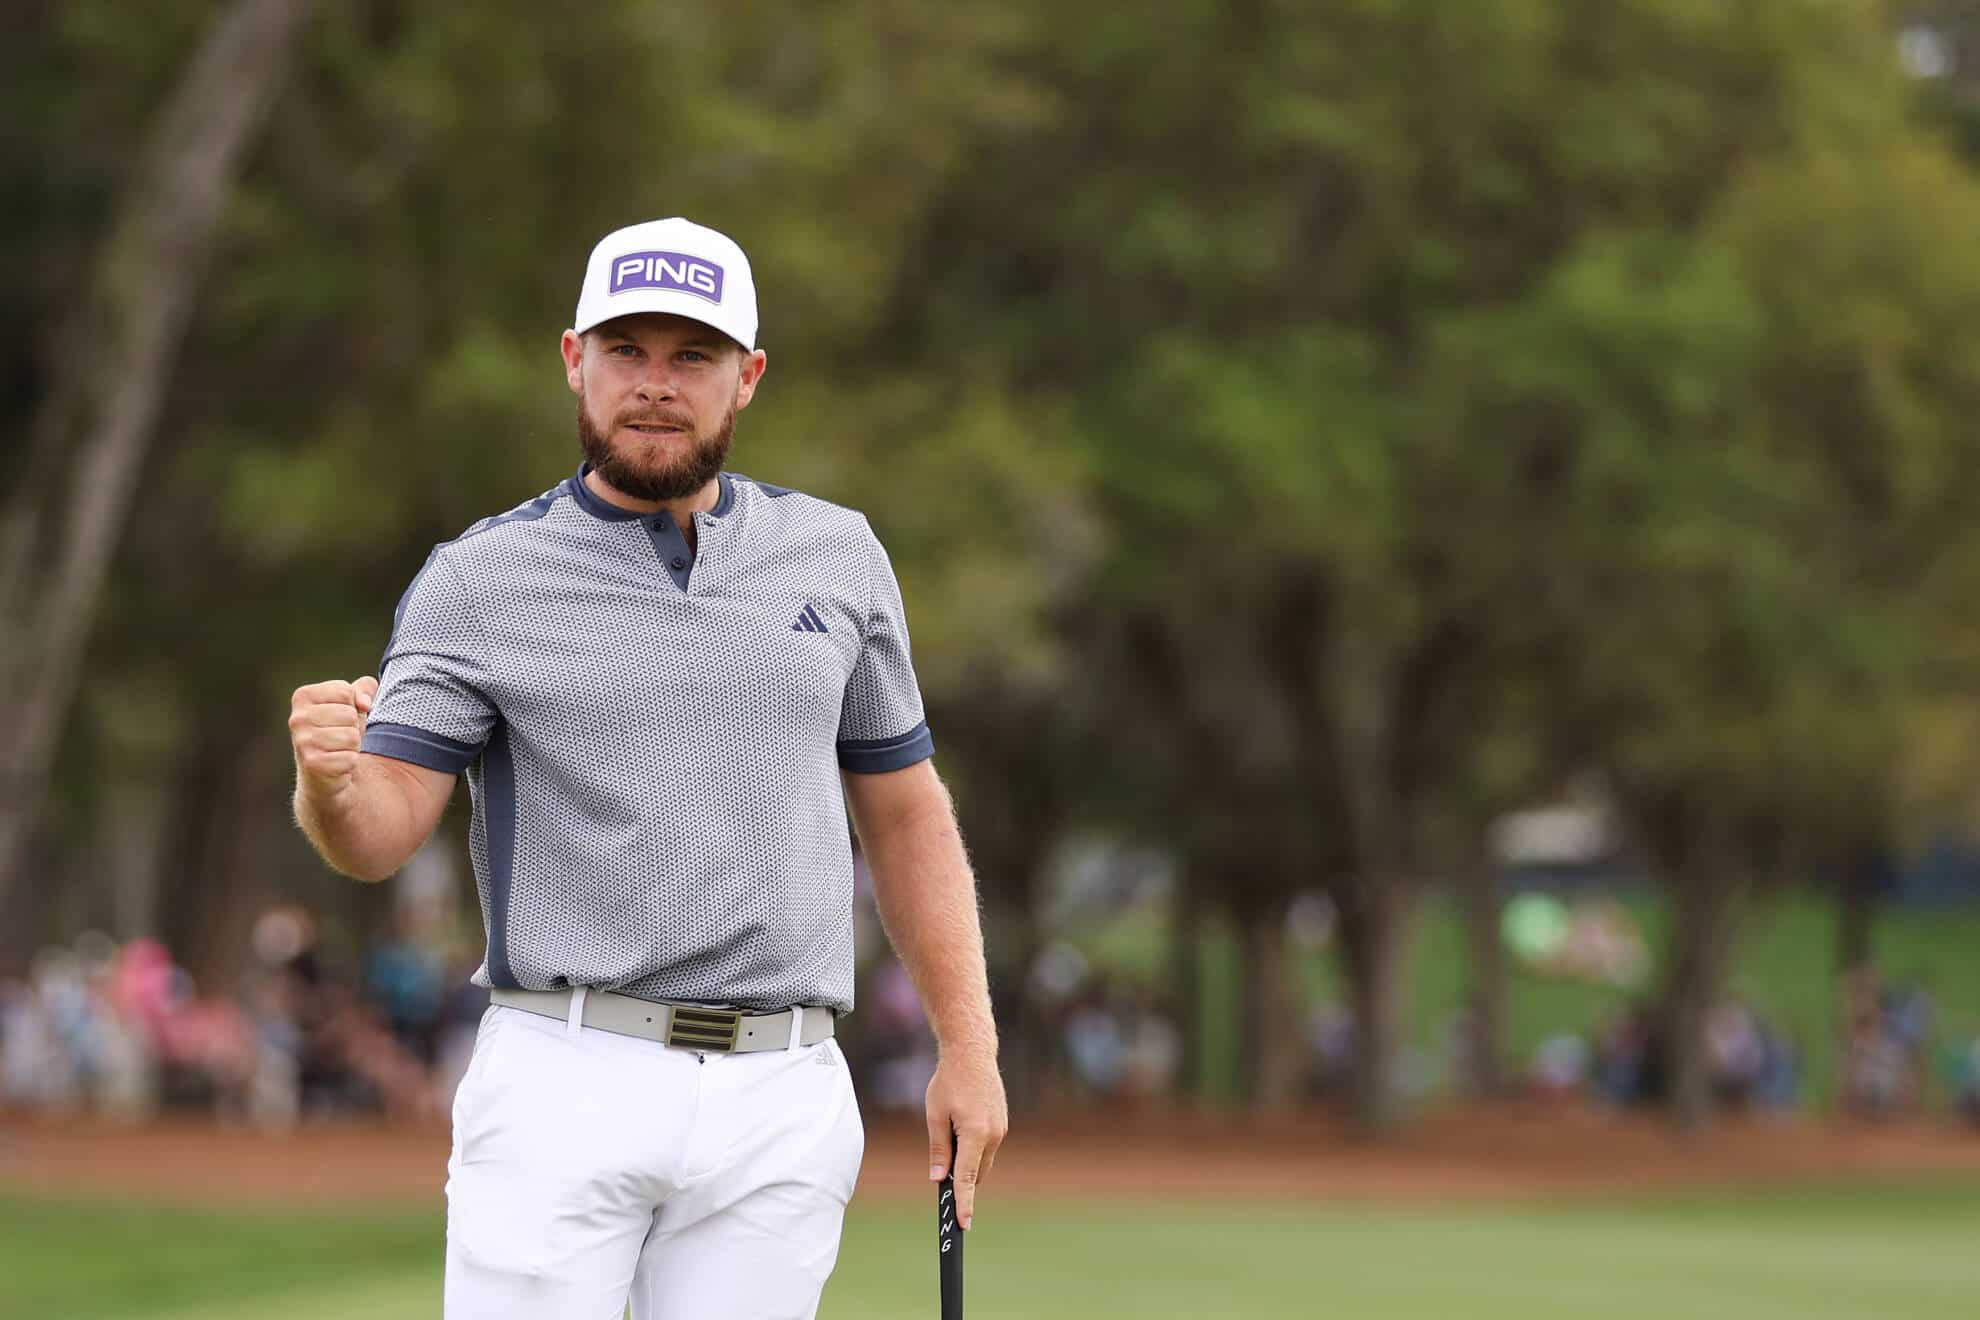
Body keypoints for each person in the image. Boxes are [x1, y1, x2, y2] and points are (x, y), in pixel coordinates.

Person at [287, 217, 1007, 1319]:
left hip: (783, 1088)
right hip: (566, 1077)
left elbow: (907, 817)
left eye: (692, 357)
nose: (656, 385)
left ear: (748, 377)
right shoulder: (479, 580)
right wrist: (331, 784)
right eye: (627, 351)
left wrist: (970, 1045)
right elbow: (380, 833)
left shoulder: (839, 557)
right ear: (574, 359)